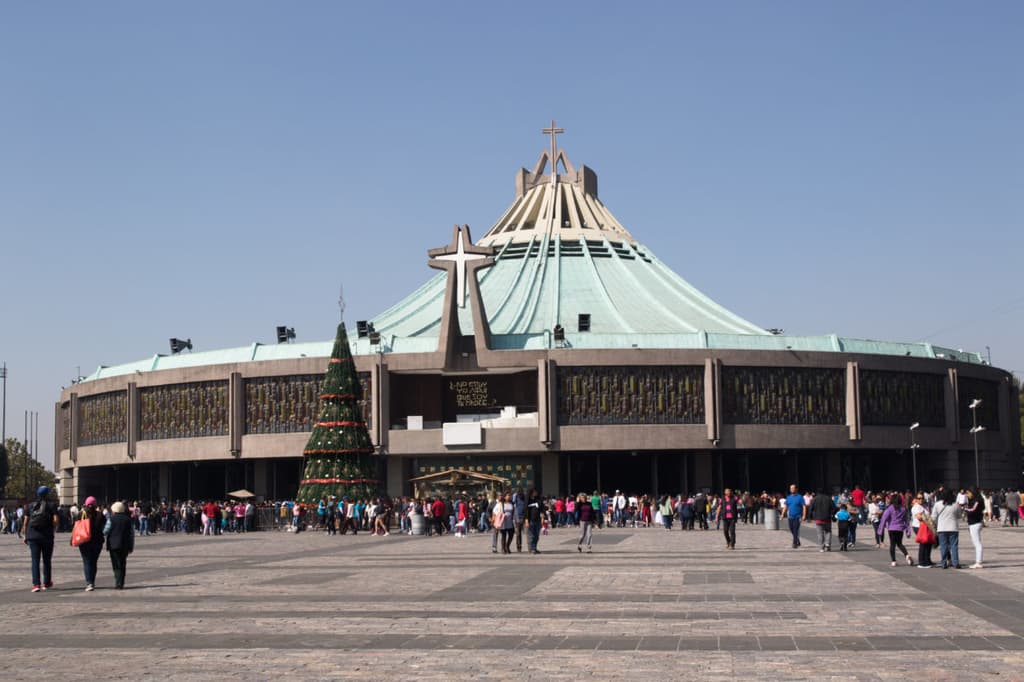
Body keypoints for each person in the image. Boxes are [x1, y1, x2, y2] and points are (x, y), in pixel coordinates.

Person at [23, 486, 58, 593]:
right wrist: (52, 528)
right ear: (47, 494)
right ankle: (46, 582)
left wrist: (25, 534)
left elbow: (25, 522)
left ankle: (36, 584)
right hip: (47, 536)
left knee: (35, 560)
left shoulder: (30, 506)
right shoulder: (51, 505)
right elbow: (56, 520)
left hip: (33, 536)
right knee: (47, 560)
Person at [104, 501, 135, 589]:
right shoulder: (128, 520)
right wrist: (131, 546)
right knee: (123, 563)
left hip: (113, 545)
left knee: (116, 564)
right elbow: (131, 535)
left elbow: (105, 531)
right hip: (125, 545)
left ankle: (118, 582)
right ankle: (121, 582)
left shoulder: (111, 519)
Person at [78, 496, 106, 591]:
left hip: (84, 541)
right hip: (97, 542)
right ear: (95, 505)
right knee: (94, 562)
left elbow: (75, 525)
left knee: (87, 561)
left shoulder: (81, 514)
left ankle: (89, 582)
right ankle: (92, 581)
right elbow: (104, 527)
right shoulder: (100, 515)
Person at [879, 493, 913, 567]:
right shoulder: (903, 509)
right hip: (900, 529)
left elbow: (884, 519)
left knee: (892, 545)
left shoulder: (889, 509)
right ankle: (907, 555)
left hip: (892, 529)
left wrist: (880, 530)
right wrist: (908, 531)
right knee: (900, 544)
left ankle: (893, 561)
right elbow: (906, 521)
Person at [933, 488, 962, 569]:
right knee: (954, 546)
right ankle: (956, 563)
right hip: (953, 528)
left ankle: (943, 563)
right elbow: (959, 516)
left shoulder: (938, 504)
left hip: (942, 528)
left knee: (943, 546)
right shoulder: (956, 504)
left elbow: (933, 517)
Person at [911, 494, 936, 567]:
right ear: (916, 499)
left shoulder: (922, 506)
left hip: (926, 526)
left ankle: (927, 560)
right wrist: (927, 517)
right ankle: (922, 562)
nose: (921, 499)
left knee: (928, 543)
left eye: (922, 498)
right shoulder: (916, 507)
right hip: (919, 527)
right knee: (923, 544)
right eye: (919, 498)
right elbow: (919, 517)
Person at [964, 488, 985, 568]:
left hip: (975, 523)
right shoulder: (974, 500)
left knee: (977, 543)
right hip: (974, 523)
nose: (967, 495)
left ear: (973, 493)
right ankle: (978, 561)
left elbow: (973, 510)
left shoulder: (977, 501)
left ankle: (978, 562)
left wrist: (964, 509)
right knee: (976, 542)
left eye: (968, 493)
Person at [783, 484, 806, 549]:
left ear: (796, 489)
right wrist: (782, 514)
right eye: (791, 488)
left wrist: (804, 515)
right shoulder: (788, 497)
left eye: (793, 488)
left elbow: (804, 507)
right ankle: (797, 540)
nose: (791, 489)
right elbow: (786, 506)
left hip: (797, 516)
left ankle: (794, 543)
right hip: (790, 516)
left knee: (795, 529)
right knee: (791, 529)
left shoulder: (800, 497)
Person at [525, 489, 546, 554]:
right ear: (531, 492)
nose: (535, 493)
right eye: (534, 492)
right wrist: (526, 520)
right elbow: (525, 510)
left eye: (536, 492)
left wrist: (542, 518)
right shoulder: (528, 501)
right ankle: (532, 549)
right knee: (531, 535)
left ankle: (534, 548)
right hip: (530, 520)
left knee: (536, 536)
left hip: (538, 520)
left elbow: (542, 509)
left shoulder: (539, 500)